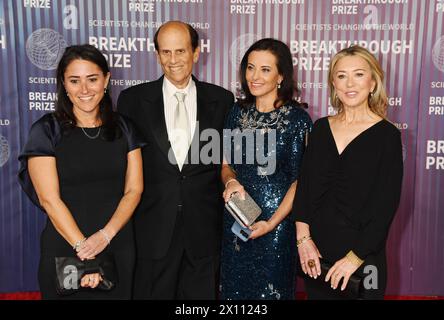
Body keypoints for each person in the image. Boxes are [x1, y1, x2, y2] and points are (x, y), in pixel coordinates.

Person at [117, 21, 234, 300]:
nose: (173, 60)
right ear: (157, 55)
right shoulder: (132, 100)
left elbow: (227, 161)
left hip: (204, 231)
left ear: (196, 52)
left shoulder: (222, 99)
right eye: (165, 52)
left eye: (180, 51)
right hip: (152, 231)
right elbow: (122, 166)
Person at [18, 44, 145, 299]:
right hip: (66, 249)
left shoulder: (125, 128)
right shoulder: (46, 131)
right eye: (74, 81)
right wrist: (86, 251)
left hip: (117, 245)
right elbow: (49, 200)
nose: (84, 90)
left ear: (106, 79)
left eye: (92, 79)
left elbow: (134, 189)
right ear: (64, 84)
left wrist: (105, 236)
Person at [291, 45, 403, 300]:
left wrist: (354, 259)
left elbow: (386, 207)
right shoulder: (320, 129)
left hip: (364, 261)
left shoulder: (387, 136)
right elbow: (305, 189)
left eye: (359, 74)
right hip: (317, 257)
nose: (350, 83)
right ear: (333, 84)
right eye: (341, 75)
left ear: (373, 82)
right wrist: (303, 240)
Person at [220, 38, 312, 300]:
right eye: (250, 67)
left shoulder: (297, 120)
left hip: (277, 224)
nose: (255, 76)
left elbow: (300, 181)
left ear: (281, 76)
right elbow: (226, 164)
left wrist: (271, 224)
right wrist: (230, 183)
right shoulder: (236, 112)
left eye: (265, 69)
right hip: (238, 218)